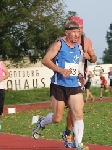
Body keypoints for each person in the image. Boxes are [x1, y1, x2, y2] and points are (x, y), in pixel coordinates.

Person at [32, 21, 88, 150]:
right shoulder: (59, 45)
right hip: (59, 85)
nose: (77, 35)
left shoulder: (79, 47)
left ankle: (78, 144)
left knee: (78, 113)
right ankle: (42, 122)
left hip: (74, 85)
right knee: (57, 118)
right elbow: (45, 60)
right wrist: (61, 70)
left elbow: (78, 65)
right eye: (74, 32)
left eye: (78, 32)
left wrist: (80, 76)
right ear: (66, 32)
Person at [61, 16, 97, 148]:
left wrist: (90, 57)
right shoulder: (61, 42)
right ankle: (67, 131)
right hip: (64, 79)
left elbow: (94, 58)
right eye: (76, 29)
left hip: (79, 78)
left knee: (76, 109)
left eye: (81, 28)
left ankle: (72, 135)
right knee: (62, 113)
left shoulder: (86, 41)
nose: (79, 31)